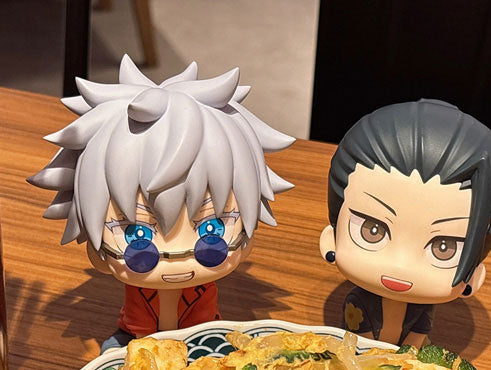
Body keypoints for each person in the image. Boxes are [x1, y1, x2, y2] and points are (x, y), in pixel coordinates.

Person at [29, 55, 294, 352]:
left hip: (203, 328)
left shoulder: (203, 289)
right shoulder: (135, 285)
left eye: (212, 229)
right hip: (139, 330)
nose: (176, 257)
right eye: (137, 235)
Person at [319, 99, 491, 347]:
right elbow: (358, 335)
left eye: (444, 247)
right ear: (331, 238)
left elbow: (419, 333)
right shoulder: (358, 301)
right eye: (372, 231)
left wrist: (409, 355)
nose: (400, 266)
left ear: (475, 274)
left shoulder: (422, 309)